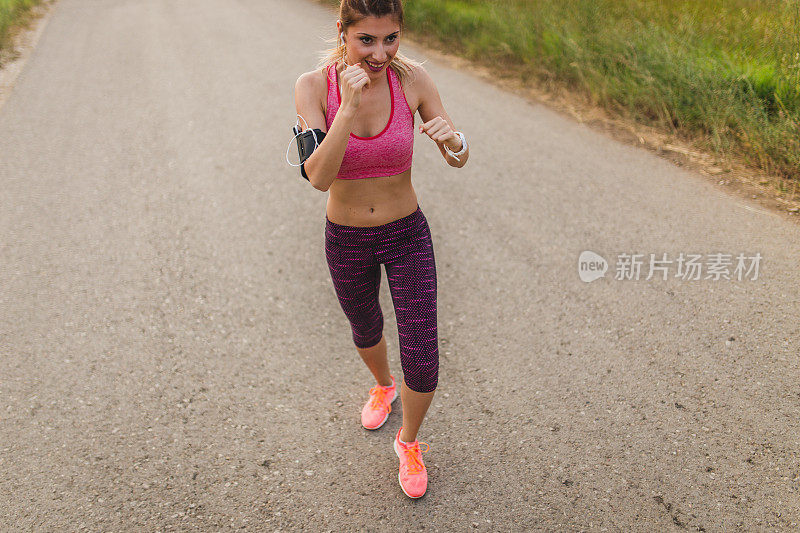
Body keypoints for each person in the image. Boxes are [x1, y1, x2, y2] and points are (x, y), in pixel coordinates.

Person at [292, 0, 469, 499]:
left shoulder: (413, 80)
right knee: (365, 325)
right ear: (343, 33)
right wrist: (347, 106)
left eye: (390, 39)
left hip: (407, 233)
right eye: (366, 40)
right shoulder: (313, 86)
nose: (379, 52)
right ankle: (383, 385)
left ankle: (408, 441)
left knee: (424, 353)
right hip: (346, 237)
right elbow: (318, 177)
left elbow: (458, 156)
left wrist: (453, 141)